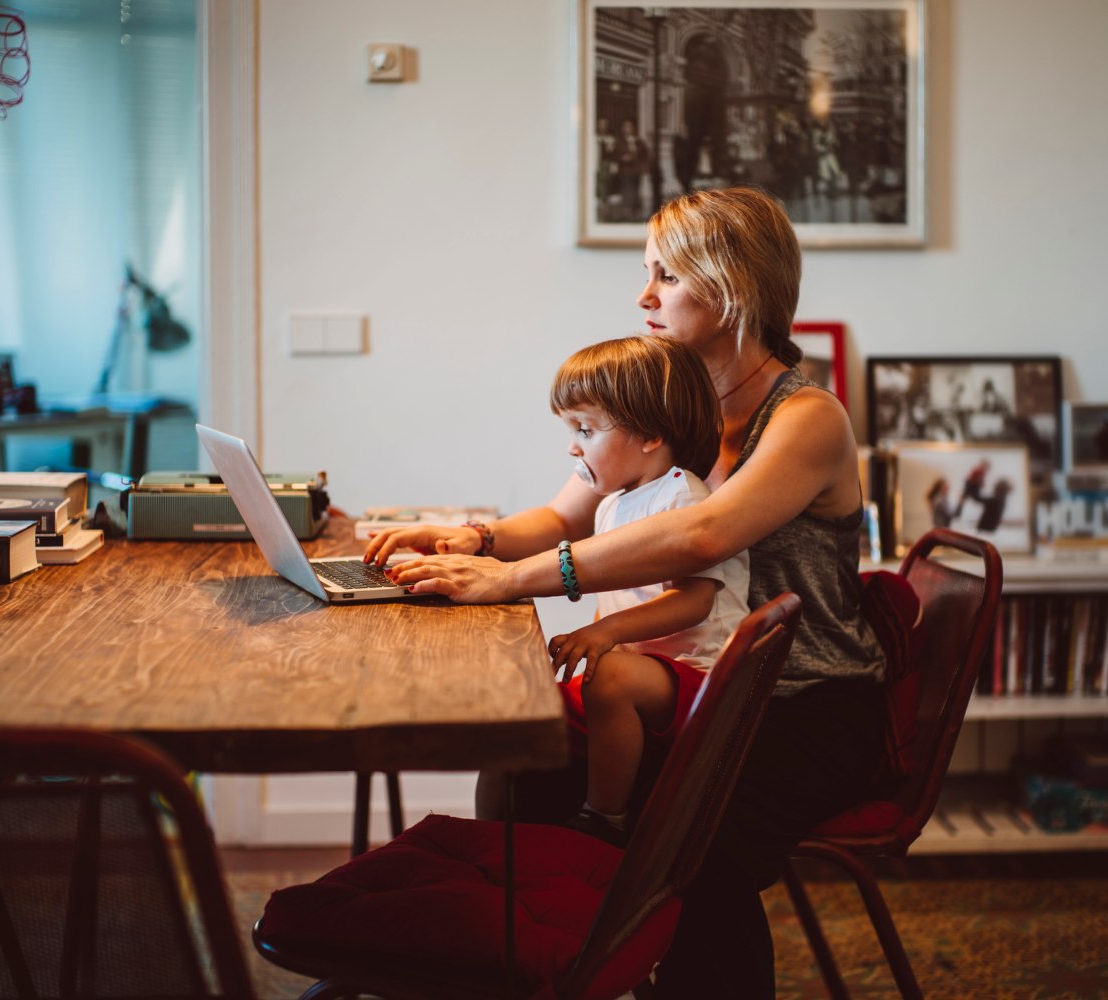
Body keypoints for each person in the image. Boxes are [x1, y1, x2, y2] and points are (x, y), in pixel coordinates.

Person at [364, 186, 889, 999]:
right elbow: (568, 514)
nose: (644, 296)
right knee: (533, 775)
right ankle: (542, 976)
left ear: (734, 285)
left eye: (667, 276)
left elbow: (703, 536)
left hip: (805, 703)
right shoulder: (671, 401)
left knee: (684, 852)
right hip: (702, 686)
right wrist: (470, 538)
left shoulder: (808, 417)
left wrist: (508, 581)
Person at [546, 336, 750, 845]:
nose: (573, 446)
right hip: (653, 668)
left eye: (586, 429)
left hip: (703, 678)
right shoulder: (613, 503)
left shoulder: (683, 497)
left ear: (650, 434)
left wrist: (606, 634)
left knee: (607, 676)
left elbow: (694, 599)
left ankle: (606, 817)